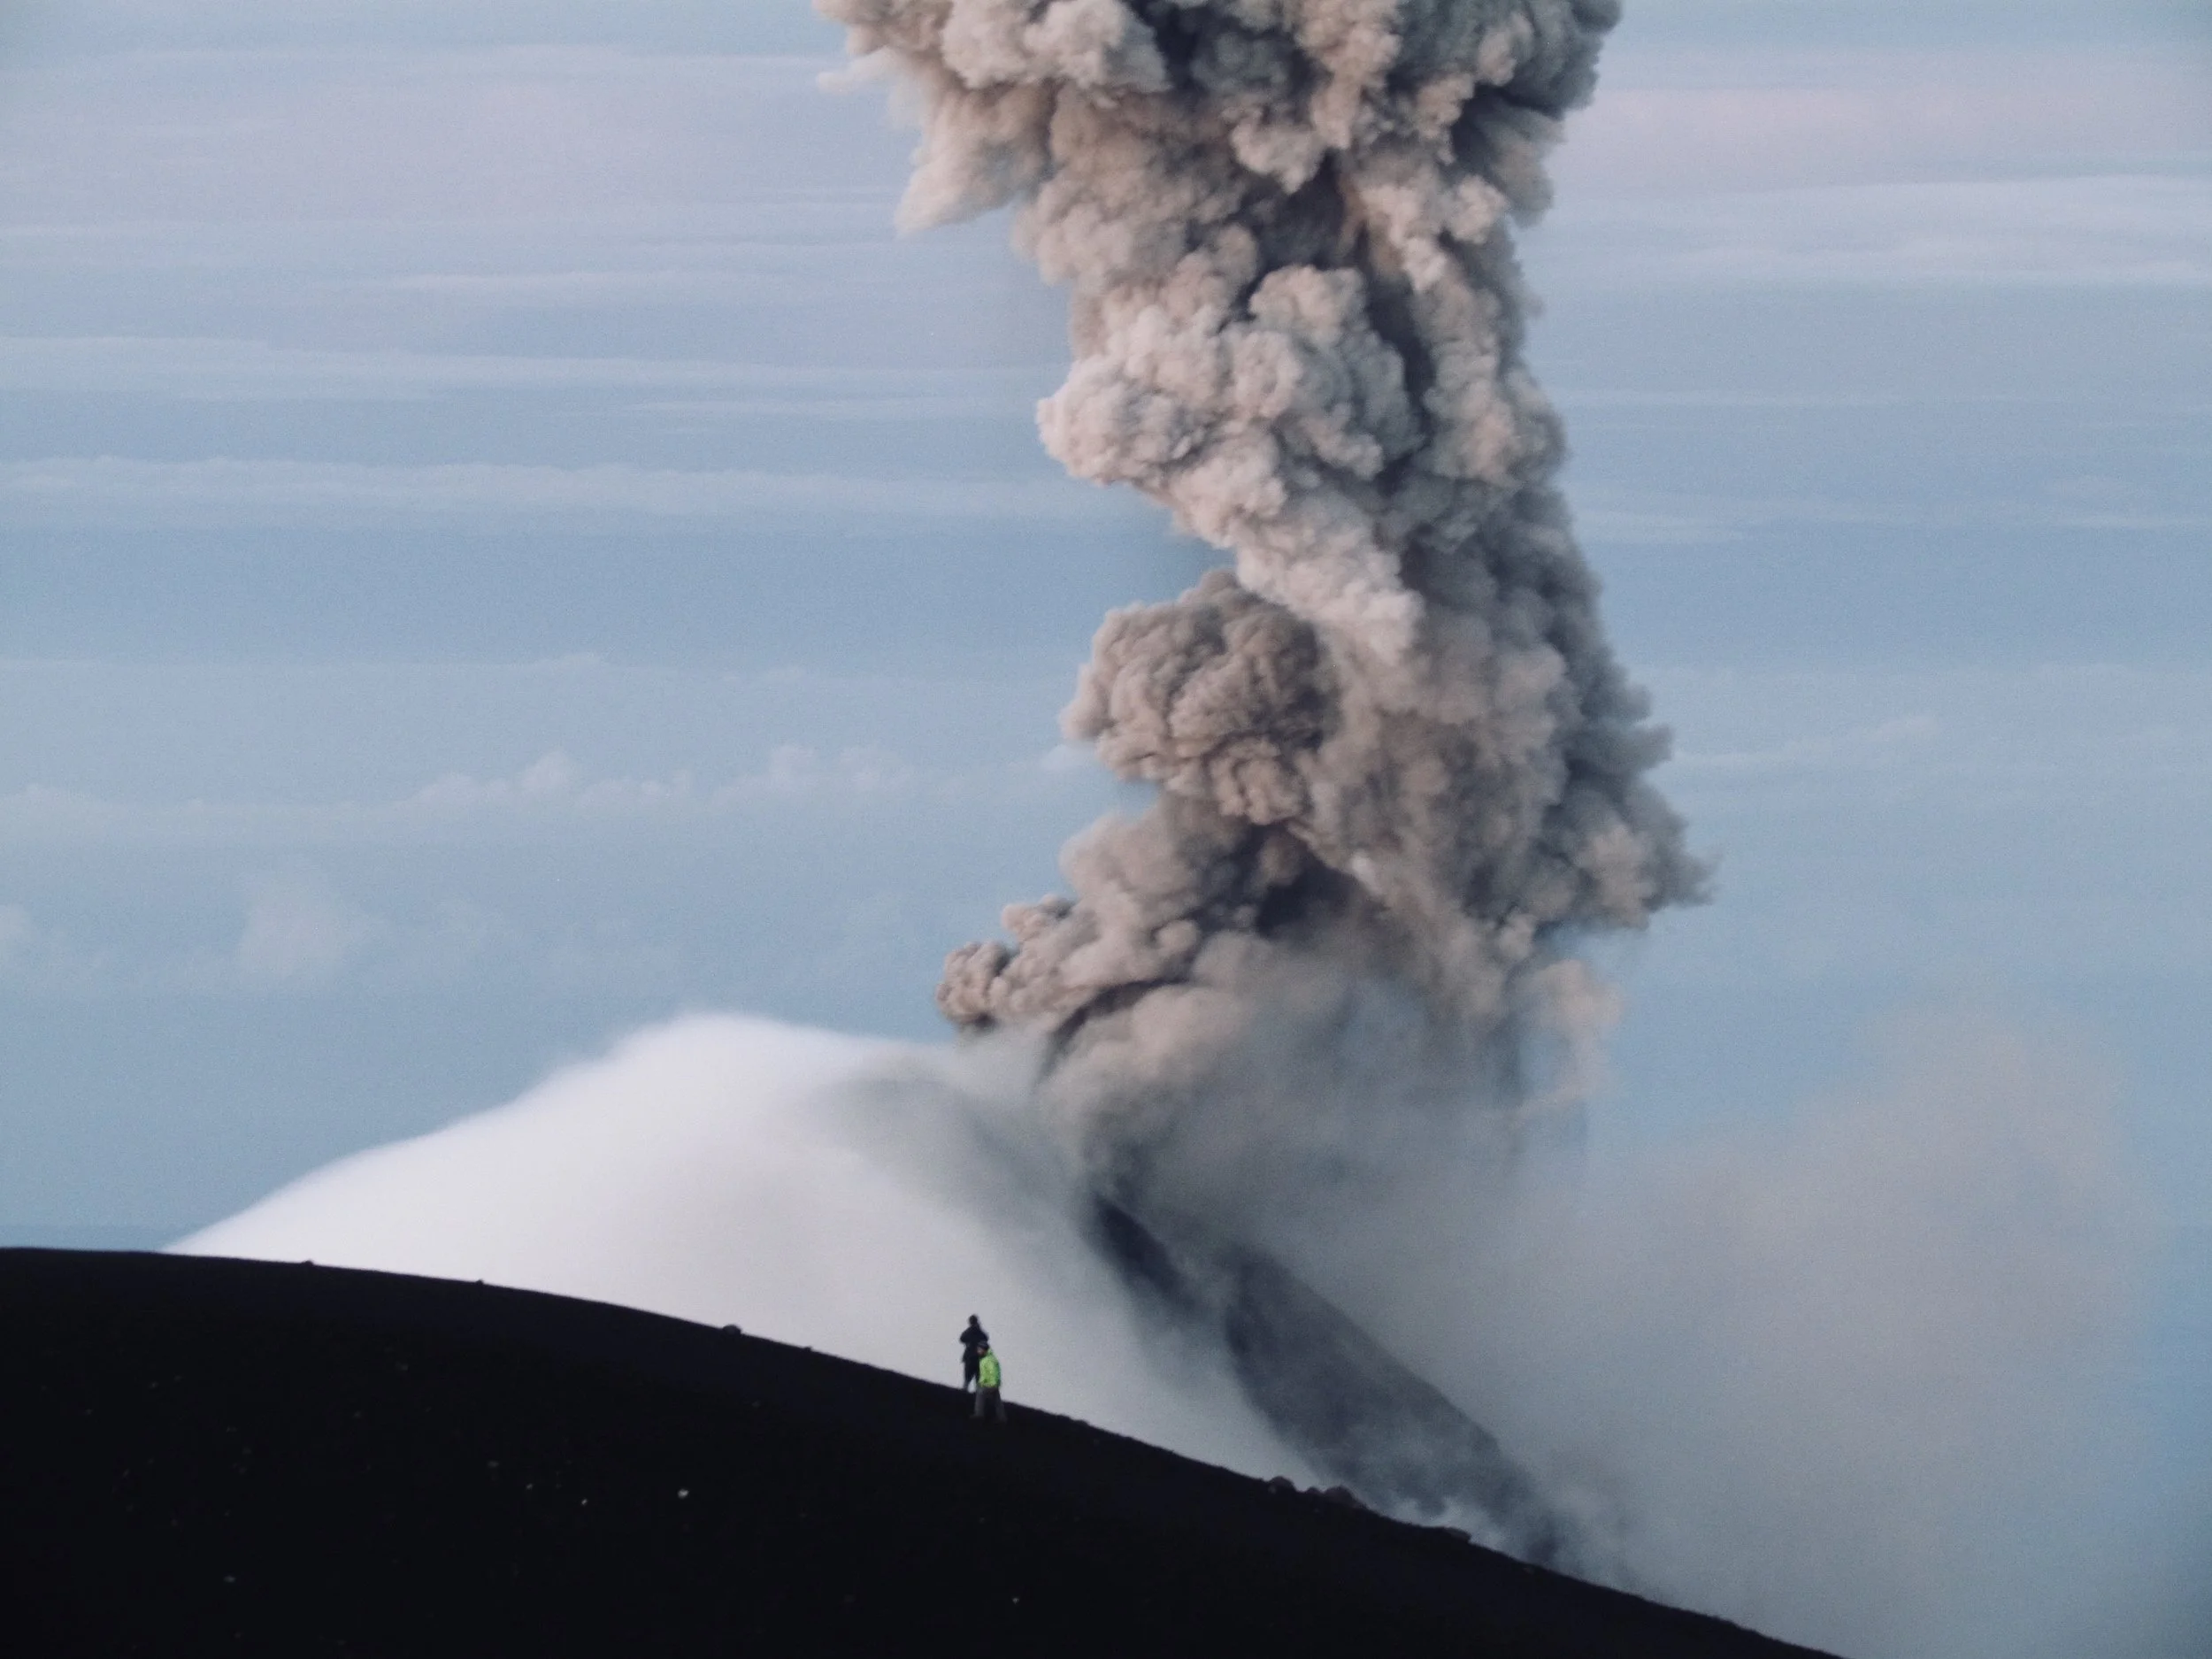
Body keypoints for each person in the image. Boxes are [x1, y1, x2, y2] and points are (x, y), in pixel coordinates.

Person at [972, 1344, 1005, 1423]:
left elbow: (993, 1372)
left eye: (979, 1349)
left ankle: (979, 1414)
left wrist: (991, 1384)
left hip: (991, 1384)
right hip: (993, 1383)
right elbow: (985, 1374)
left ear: (984, 1350)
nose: (978, 1351)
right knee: (997, 1401)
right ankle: (1002, 1418)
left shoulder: (988, 1360)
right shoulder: (986, 1359)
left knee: (980, 1394)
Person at [958, 1315, 989, 1393]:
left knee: (971, 1376)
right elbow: (985, 1338)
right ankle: (973, 1391)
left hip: (973, 1357)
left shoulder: (972, 1331)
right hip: (976, 1357)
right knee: (974, 1376)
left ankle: (968, 1390)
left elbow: (962, 1338)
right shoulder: (977, 1331)